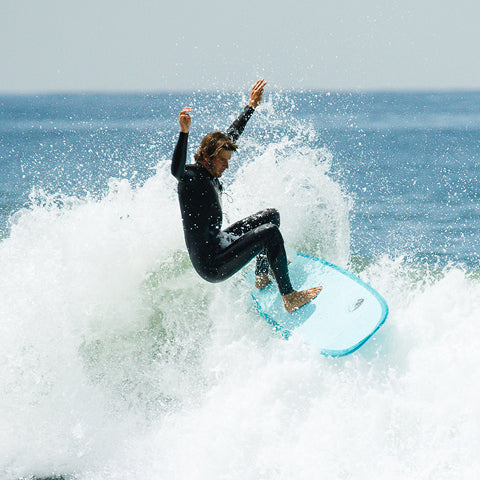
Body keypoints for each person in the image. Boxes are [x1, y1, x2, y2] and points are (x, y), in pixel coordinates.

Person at [171, 79, 321, 312]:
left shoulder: (210, 170)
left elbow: (231, 136)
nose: (226, 167)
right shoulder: (191, 177)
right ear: (208, 157)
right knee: (270, 233)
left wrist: (251, 106)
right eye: (223, 161)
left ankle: (262, 275)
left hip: (219, 244)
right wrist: (184, 132)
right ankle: (290, 297)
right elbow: (176, 170)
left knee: (270, 217)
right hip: (212, 264)